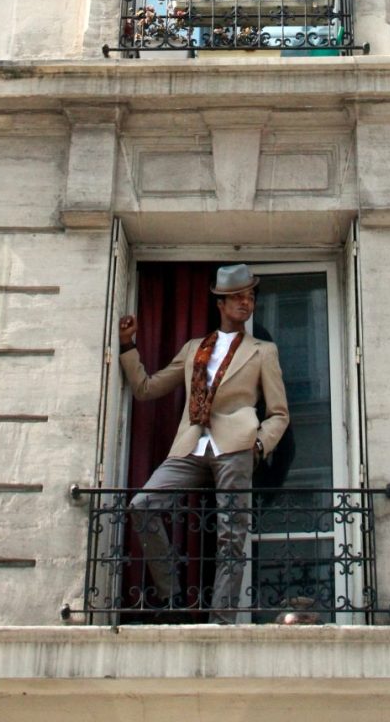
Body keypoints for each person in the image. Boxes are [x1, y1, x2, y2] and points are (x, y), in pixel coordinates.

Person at [118, 264, 289, 623]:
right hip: (191, 444)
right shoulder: (195, 348)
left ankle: (221, 621)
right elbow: (147, 388)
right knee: (142, 505)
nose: (246, 303)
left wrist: (259, 445)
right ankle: (171, 594)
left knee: (231, 537)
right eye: (238, 297)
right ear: (221, 304)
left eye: (251, 296)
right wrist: (127, 346)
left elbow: (279, 413)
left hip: (237, 446)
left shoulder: (263, 351)